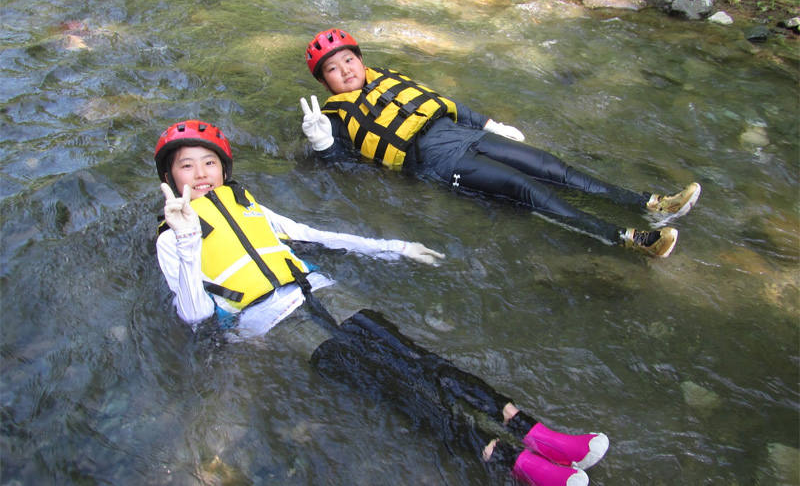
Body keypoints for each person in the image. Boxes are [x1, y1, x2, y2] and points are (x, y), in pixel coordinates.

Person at [154, 119, 610, 486]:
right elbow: (193, 314)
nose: (201, 175)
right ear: (170, 179)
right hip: (274, 323)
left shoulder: (248, 205)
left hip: (327, 295)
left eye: (208, 163)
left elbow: (320, 237)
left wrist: (395, 246)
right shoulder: (172, 238)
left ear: (224, 170)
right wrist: (189, 240)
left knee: (419, 360)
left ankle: (538, 434)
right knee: (393, 387)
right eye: (187, 167)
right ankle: (515, 464)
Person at [300, 28, 702, 258]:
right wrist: (322, 145)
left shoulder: (390, 77)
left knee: (552, 167)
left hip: (465, 134)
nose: (345, 70)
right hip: (435, 162)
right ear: (324, 83)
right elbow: (341, 166)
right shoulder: (333, 117)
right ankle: (629, 238)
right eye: (332, 70)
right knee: (524, 187)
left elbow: (445, 104)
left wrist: (491, 123)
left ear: (361, 59)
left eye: (348, 60)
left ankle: (650, 204)